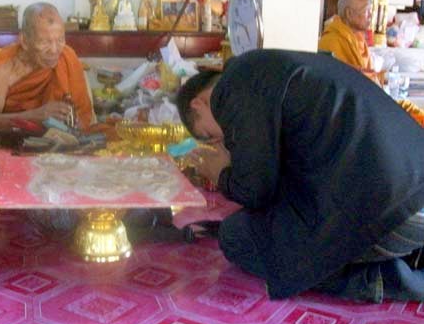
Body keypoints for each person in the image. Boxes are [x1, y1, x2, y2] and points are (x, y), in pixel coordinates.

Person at [177, 49, 424, 302]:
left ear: (198, 103)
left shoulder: (231, 89)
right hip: (412, 194)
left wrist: (220, 175)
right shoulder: (268, 68)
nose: (218, 141)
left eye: (208, 136)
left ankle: (380, 280)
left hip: (395, 213)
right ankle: (408, 254)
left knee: (236, 236)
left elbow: (256, 192)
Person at [0, 2, 93, 148]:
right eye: (44, 42)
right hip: (9, 143)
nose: (54, 50)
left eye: (60, 40)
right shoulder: (6, 69)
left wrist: (72, 124)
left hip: (54, 145)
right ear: (24, 41)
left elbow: (83, 115)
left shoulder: (68, 57)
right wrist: (36, 116)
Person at [319, 0, 374, 71]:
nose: (370, 16)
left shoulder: (359, 38)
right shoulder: (331, 41)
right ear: (349, 13)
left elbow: (367, 74)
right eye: (366, 11)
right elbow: (337, 75)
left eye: (370, 11)